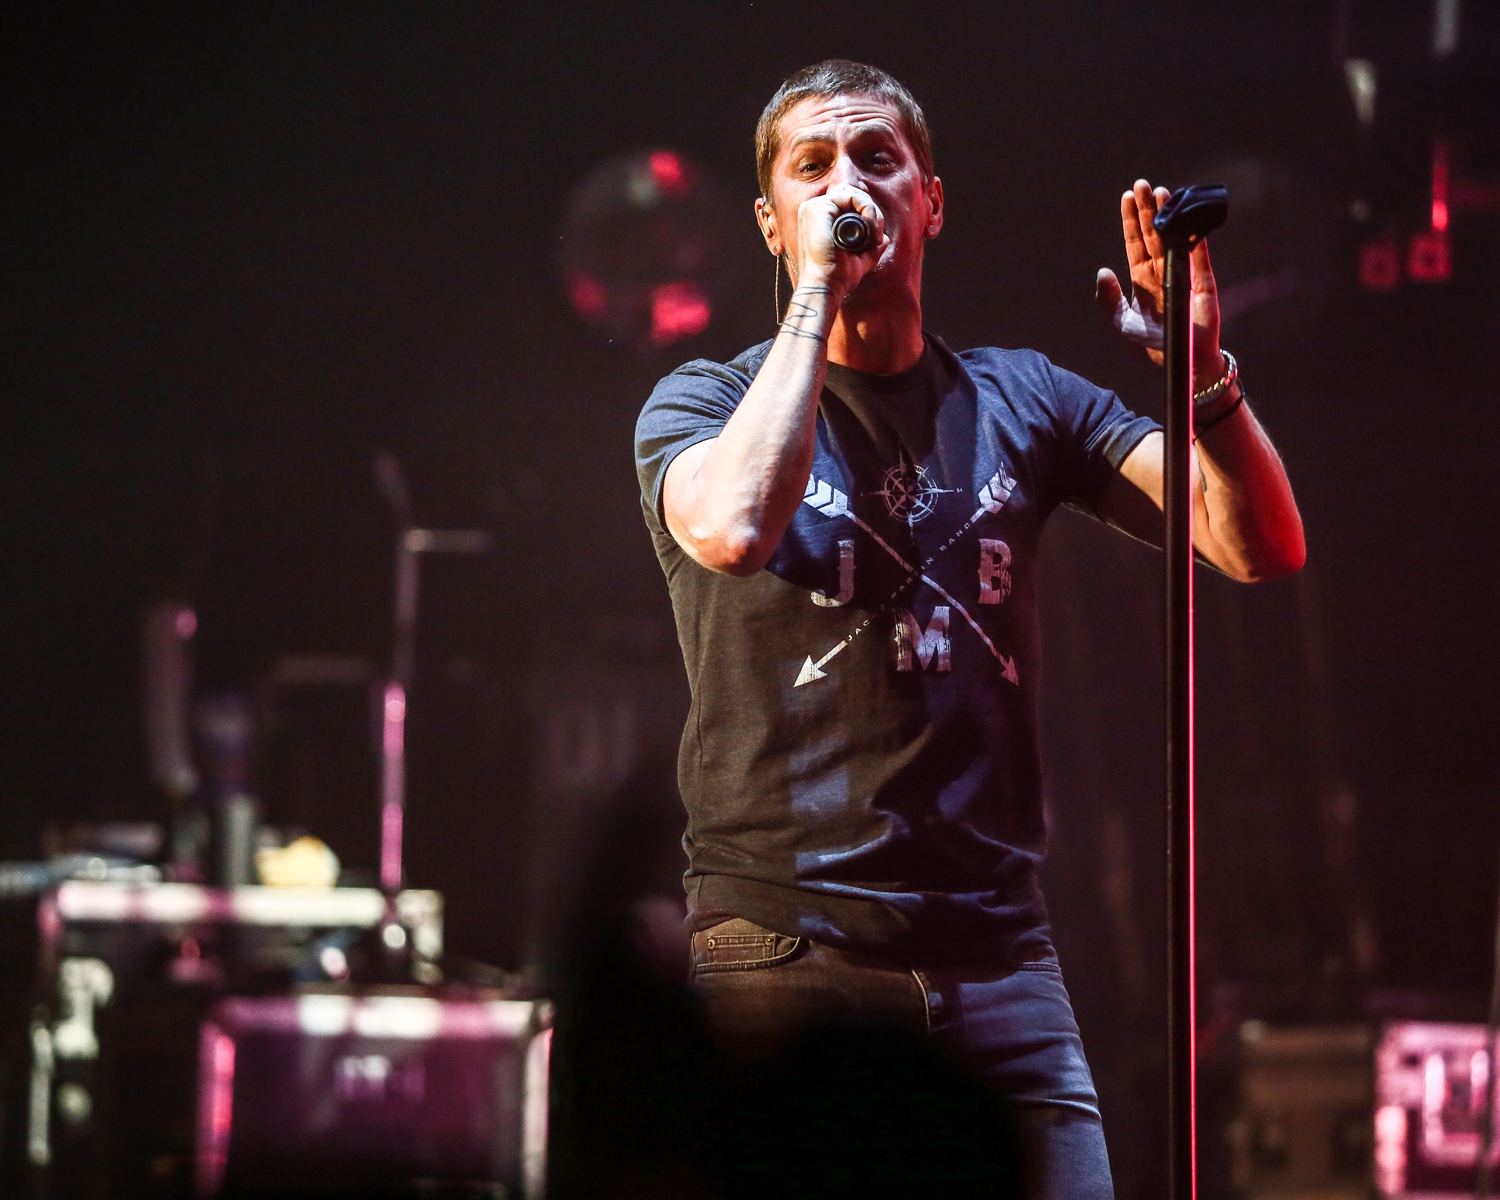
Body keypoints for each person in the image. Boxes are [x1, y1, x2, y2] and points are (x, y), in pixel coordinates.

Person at [633, 59, 1303, 1199]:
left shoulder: (1024, 399)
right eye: (813, 167)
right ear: (770, 221)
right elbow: (737, 527)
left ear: (931, 201)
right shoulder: (702, 404)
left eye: (877, 159)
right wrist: (816, 294)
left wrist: (1203, 382)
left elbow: (1256, 544)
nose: (849, 186)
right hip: (783, 961)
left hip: (999, 966)